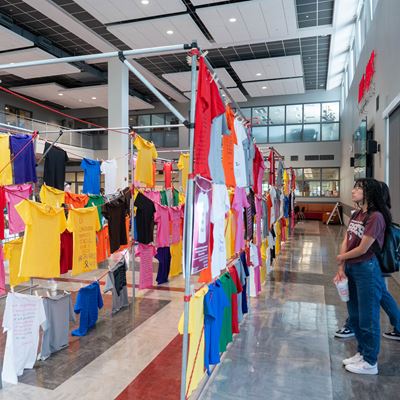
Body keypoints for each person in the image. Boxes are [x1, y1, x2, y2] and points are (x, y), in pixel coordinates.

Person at [334, 178, 392, 375]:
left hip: (366, 269)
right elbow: (346, 238)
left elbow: (363, 248)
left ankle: (370, 360)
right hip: (351, 267)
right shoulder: (358, 214)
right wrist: (341, 265)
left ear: (368, 193)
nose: (353, 191)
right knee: (356, 314)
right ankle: (362, 352)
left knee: (368, 316)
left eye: (358, 188)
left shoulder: (376, 217)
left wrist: (342, 257)